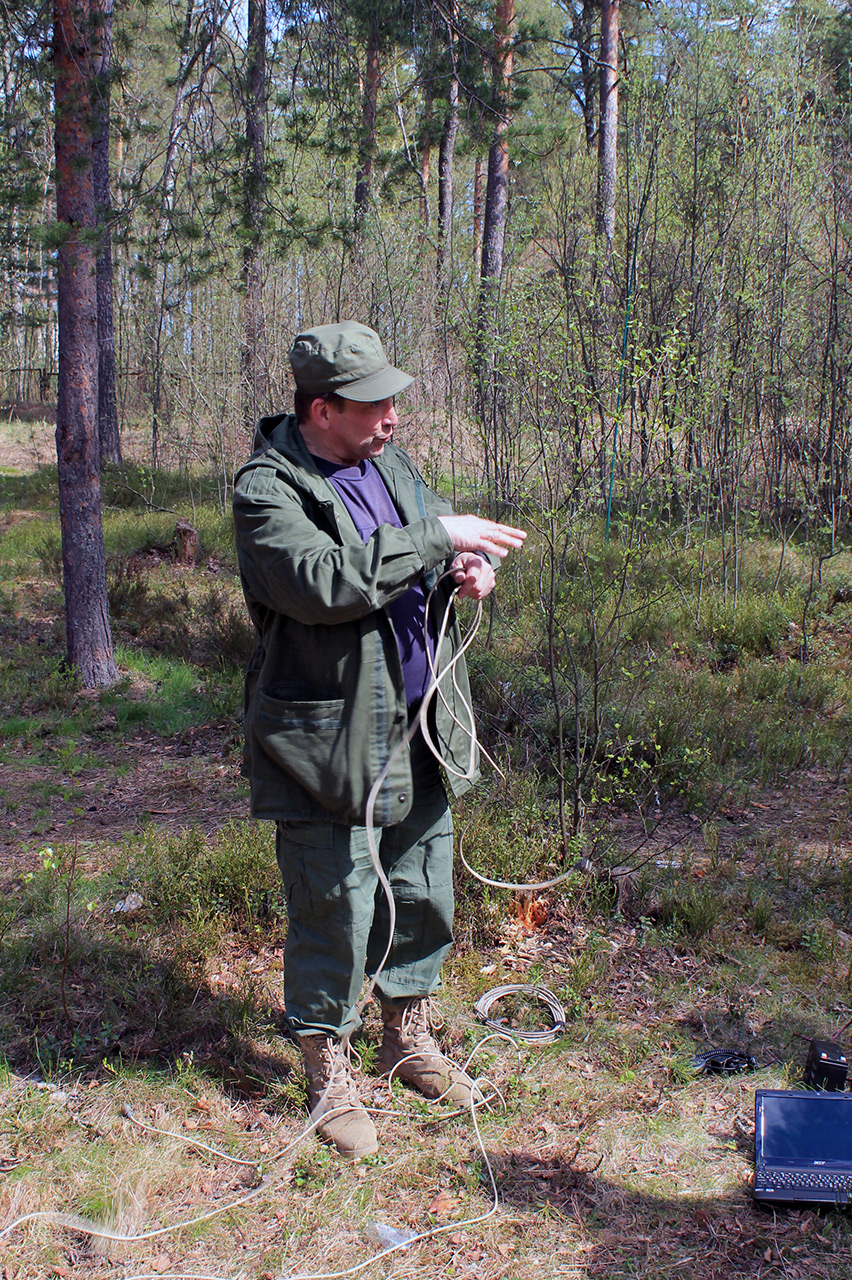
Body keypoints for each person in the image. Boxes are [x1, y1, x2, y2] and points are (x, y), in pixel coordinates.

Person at [233, 322, 526, 1159]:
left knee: (422, 886)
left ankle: (406, 1037)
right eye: (372, 405)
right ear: (321, 410)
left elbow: (423, 554)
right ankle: (328, 1068)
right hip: (328, 739)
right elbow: (321, 583)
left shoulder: (389, 463)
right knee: (334, 902)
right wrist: (438, 537)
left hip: (421, 723)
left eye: (393, 400)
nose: (391, 417)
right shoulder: (268, 490)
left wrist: (464, 571)